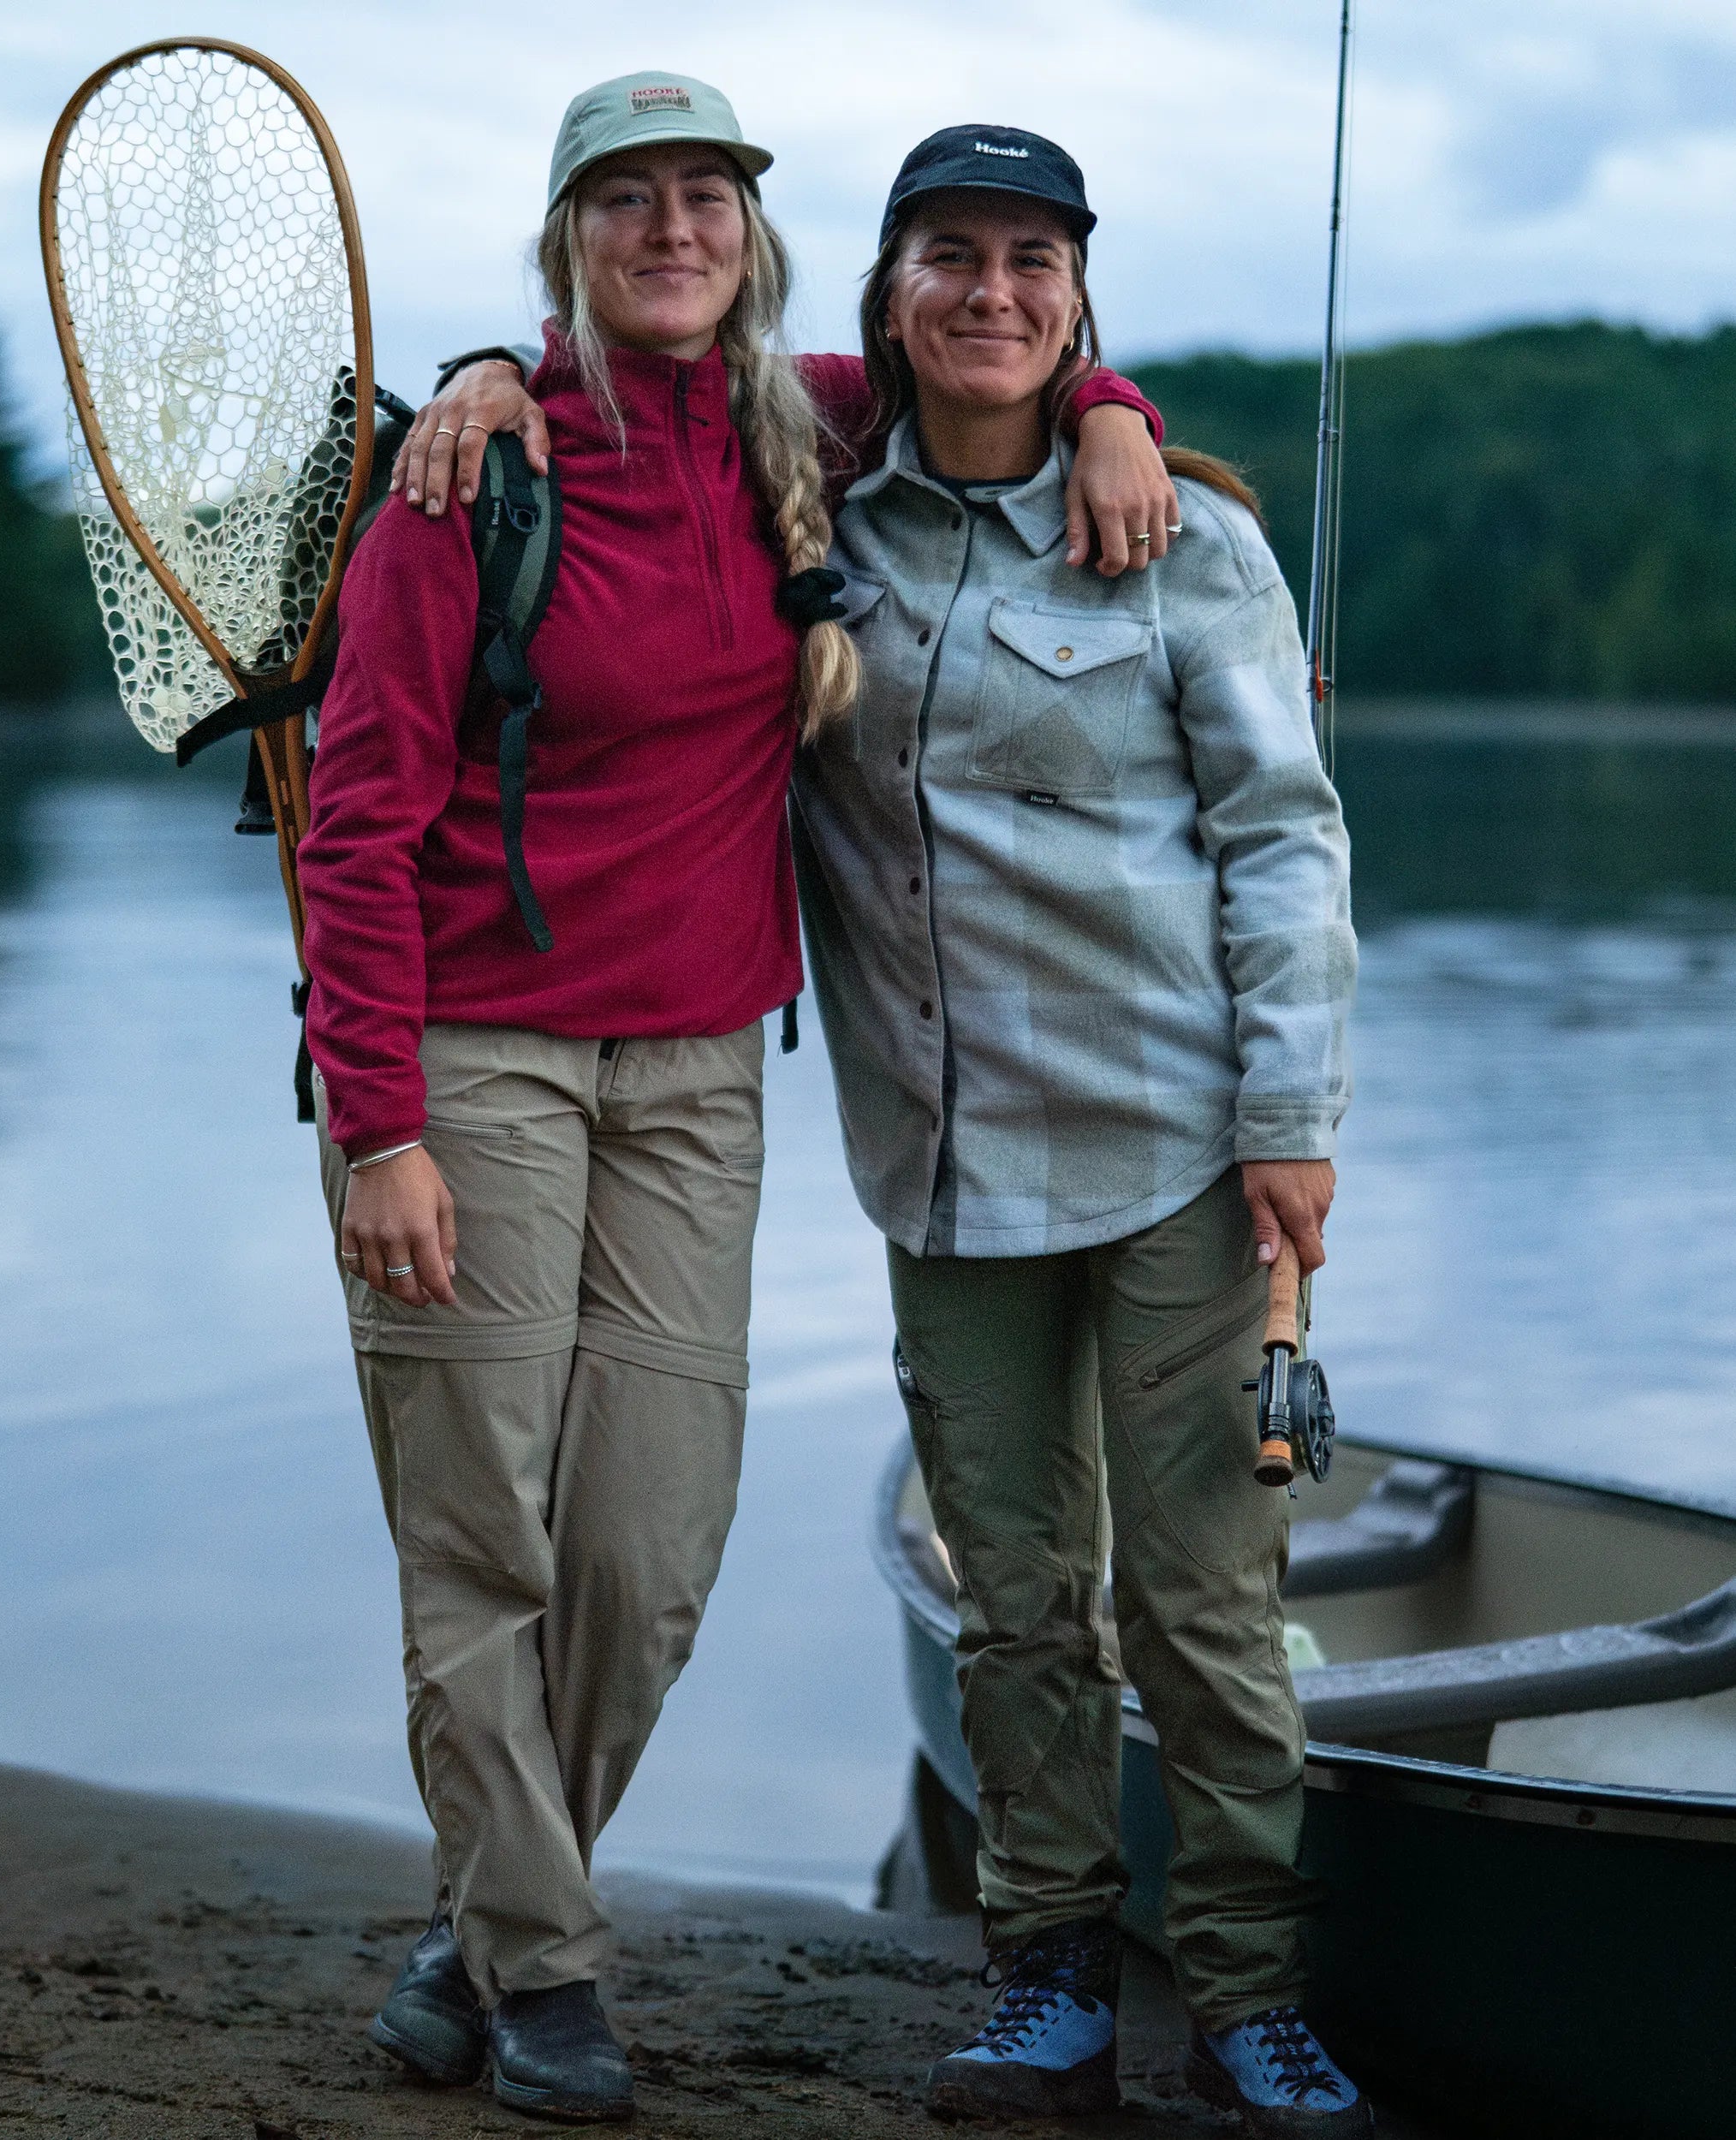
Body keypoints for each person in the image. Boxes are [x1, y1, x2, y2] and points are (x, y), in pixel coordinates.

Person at [415, 123, 1365, 2140]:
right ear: (888, 290)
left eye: (1033, 262)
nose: (991, 294)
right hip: (945, 1171)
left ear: (1077, 295)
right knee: (1016, 1597)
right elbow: (636, 381)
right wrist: (481, 377)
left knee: (1200, 1602)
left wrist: (1292, 1113)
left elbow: (1281, 839)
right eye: (950, 254)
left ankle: (1251, 1998)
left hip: (1188, 1153)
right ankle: (1044, 1986)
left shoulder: (1181, 536)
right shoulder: (806, 496)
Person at [307, 74, 1174, 2128]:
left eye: (705, 195)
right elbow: (354, 821)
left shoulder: (813, 416)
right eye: (628, 200)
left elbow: (1001, 342)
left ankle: (477, 1924)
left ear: (752, 233)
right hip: (473, 1058)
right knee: (476, 1532)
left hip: (700, 1064)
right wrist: (376, 1124)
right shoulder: (465, 480)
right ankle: (544, 1970)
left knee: (647, 1541)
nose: (671, 228)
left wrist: (1117, 401)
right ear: (568, 240)